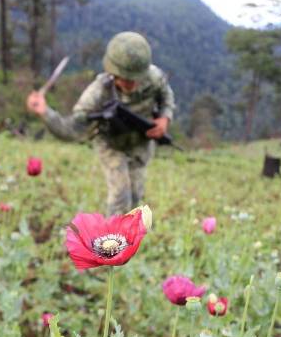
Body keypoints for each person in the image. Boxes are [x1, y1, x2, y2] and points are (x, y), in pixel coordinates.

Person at [26, 31, 176, 215]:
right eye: (126, 79)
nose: (132, 84)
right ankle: (112, 241)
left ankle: (133, 241)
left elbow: (166, 96)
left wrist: (164, 118)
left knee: (136, 197)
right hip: (111, 144)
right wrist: (44, 112)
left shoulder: (154, 77)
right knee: (121, 196)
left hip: (140, 144)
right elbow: (72, 129)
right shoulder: (98, 92)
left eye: (136, 78)